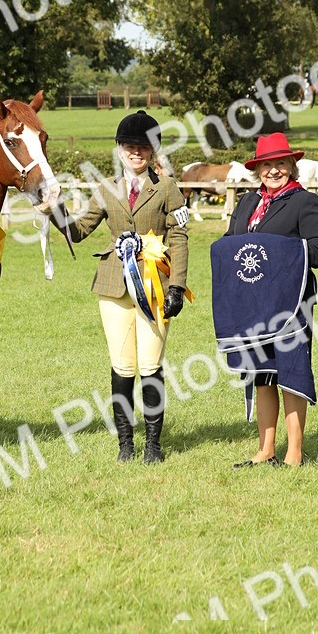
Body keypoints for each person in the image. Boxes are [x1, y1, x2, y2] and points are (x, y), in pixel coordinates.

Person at [51, 111, 189, 464]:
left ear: (152, 151)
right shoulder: (105, 188)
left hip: (154, 283)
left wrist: (177, 287)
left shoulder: (168, 187)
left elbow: (179, 237)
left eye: (143, 147)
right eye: (130, 146)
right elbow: (80, 231)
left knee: (151, 364)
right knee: (123, 366)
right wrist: (54, 210)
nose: (136, 152)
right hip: (113, 284)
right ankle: (125, 444)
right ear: (119, 149)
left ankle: (153, 445)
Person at [223, 133, 318, 467]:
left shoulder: (305, 201)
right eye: (266, 165)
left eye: (280, 164)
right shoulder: (246, 203)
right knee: (263, 374)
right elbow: (231, 242)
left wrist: (277, 252)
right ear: (258, 169)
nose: (273, 171)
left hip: (292, 303)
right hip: (254, 303)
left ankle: (294, 454)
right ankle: (265, 449)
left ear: (291, 165)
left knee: (291, 373)